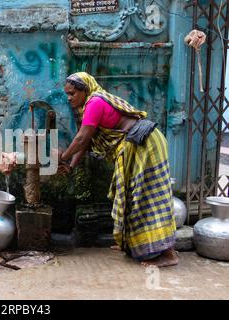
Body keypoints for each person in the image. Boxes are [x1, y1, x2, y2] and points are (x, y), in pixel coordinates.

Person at [58, 72, 178, 267]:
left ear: (84, 90)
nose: (69, 98)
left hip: (146, 144)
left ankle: (168, 254)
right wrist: (70, 166)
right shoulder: (88, 107)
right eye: (67, 94)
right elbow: (86, 142)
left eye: (72, 93)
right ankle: (135, 244)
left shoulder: (94, 103)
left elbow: (81, 138)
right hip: (138, 144)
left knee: (149, 198)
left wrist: (62, 156)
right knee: (132, 198)